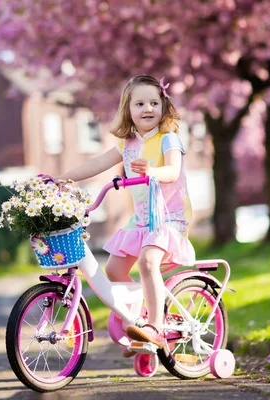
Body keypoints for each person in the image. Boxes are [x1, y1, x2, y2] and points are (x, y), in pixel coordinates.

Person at [53, 74, 195, 356]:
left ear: (163, 107)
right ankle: (141, 319)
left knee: (147, 261)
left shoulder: (168, 139)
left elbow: (173, 171)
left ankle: (154, 327)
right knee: (114, 270)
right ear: (127, 110)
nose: (147, 109)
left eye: (154, 102)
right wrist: (63, 179)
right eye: (140, 103)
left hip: (167, 218)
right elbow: (97, 163)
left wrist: (152, 171)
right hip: (142, 221)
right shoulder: (127, 144)